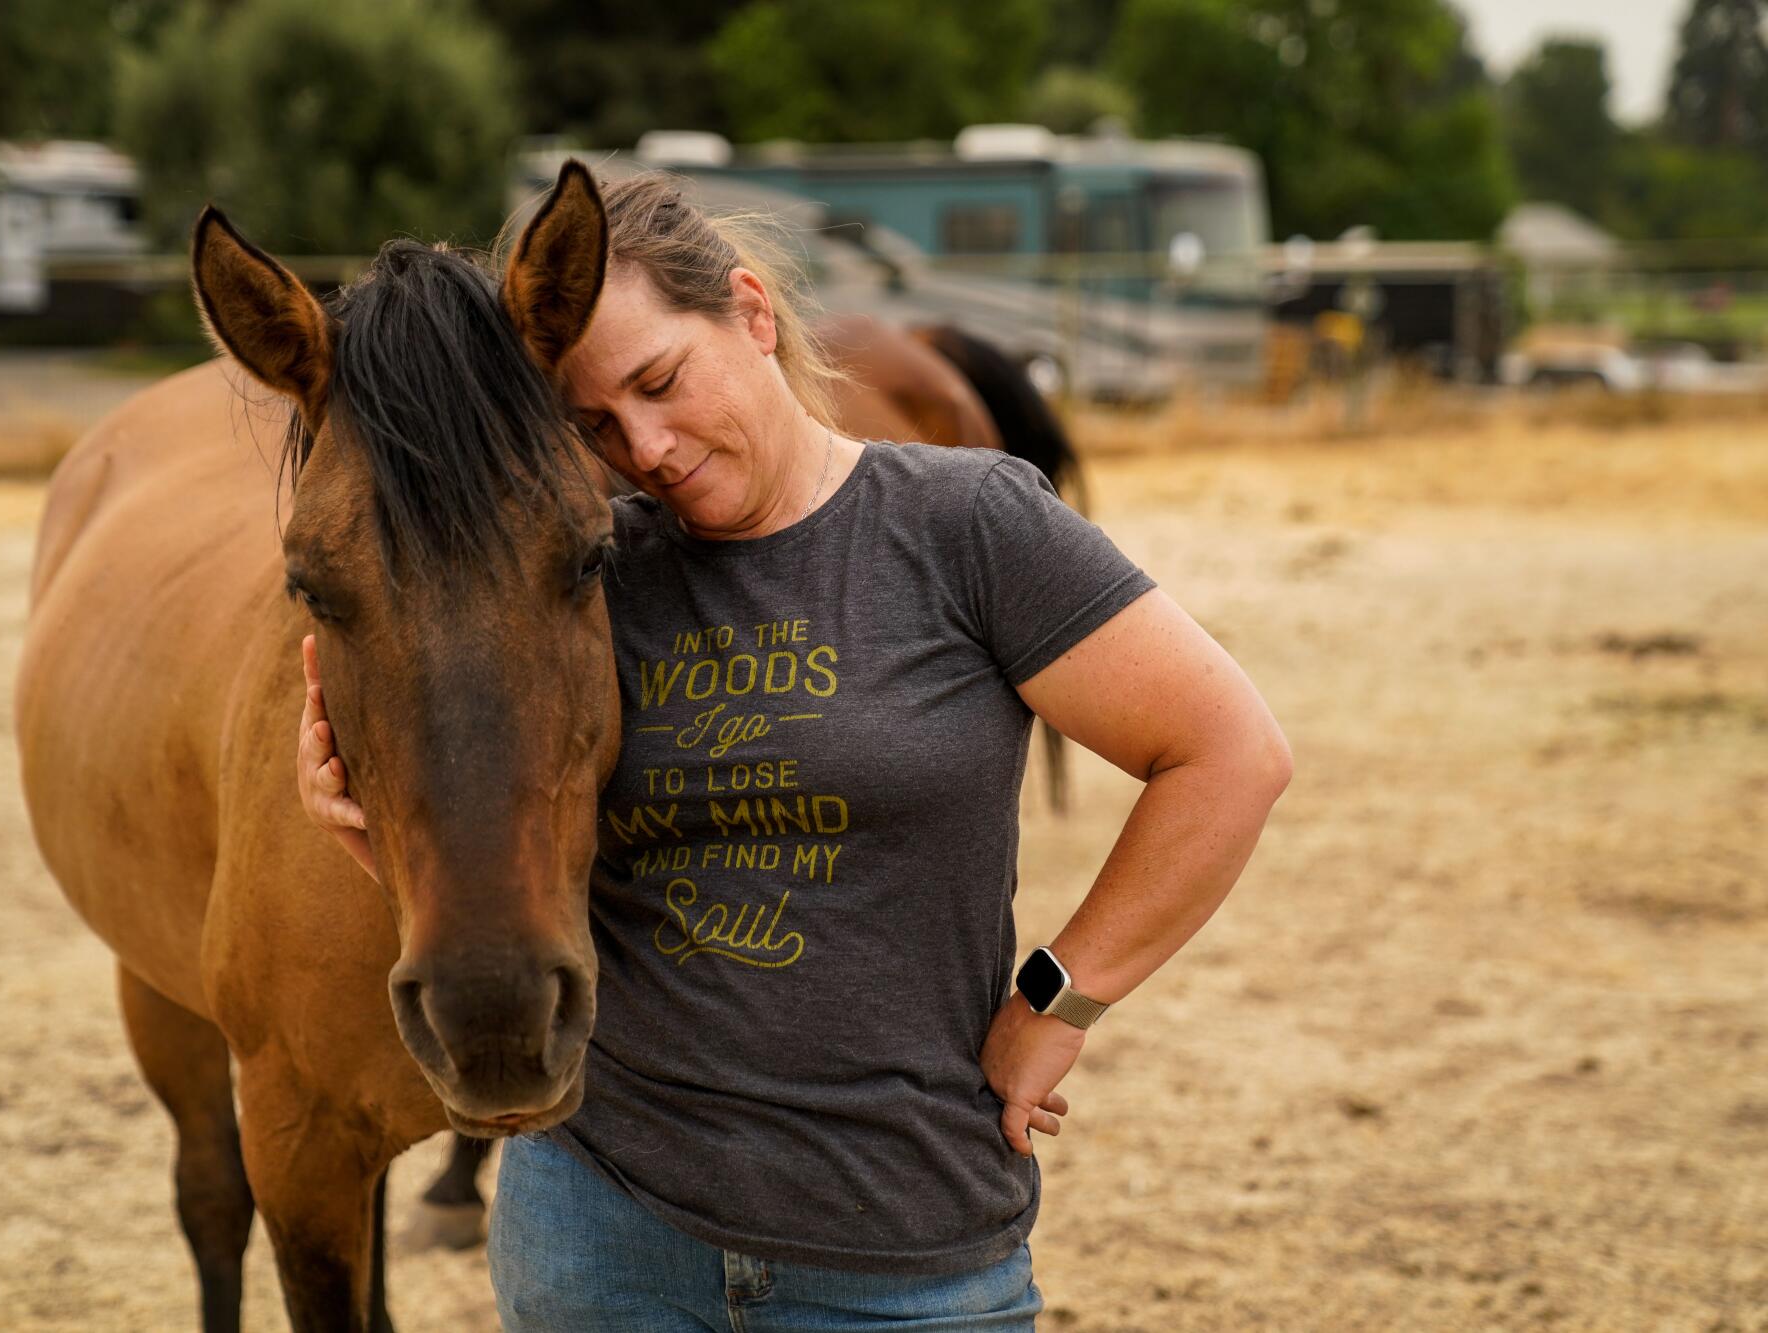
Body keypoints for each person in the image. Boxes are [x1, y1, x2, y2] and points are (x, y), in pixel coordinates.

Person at [296, 172, 1292, 1330]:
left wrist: (1054, 1003)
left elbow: (1225, 752)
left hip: (903, 1256)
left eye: (660, 382)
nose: (648, 447)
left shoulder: (962, 526)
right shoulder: (577, 568)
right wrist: (374, 829)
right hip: (598, 1236)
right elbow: (509, 813)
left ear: (751, 315)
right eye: (595, 425)